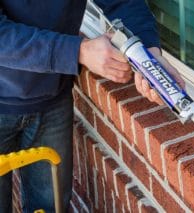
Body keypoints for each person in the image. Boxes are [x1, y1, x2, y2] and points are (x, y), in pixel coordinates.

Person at [0, 0, 183, 212]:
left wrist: (149, 56)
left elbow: (123, 2)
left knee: (52, 207)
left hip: (52, 101)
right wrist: (80, 52)